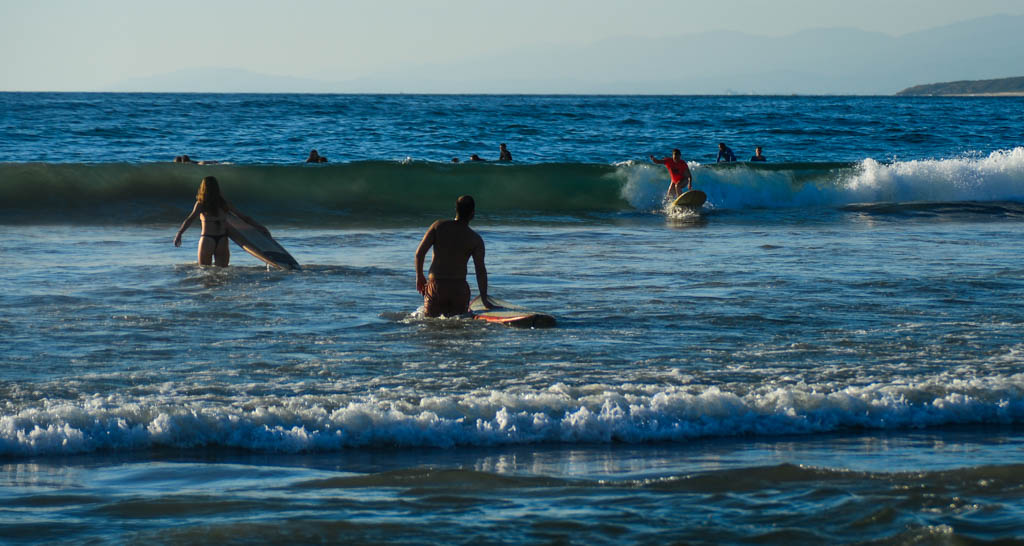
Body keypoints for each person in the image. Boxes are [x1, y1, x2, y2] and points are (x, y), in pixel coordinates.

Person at [415, 195, 492, 317]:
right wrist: (484, 298)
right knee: (458, 326)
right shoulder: (475, 239)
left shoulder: (438, 226)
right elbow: (480, 270)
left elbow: (420, 253)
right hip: (459, 288)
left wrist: (419, 276)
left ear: (456, 210)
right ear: (472, 214)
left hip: (437, 286)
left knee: (430, 326)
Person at [173, 176, 269, 267]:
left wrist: (179, 233)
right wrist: (260, 227)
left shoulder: (201, 204)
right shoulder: (224, 204)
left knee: (205, 272)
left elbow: (190, 219)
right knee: (222, 274)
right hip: (222, 240)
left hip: (207, 239)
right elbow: (244, 217)